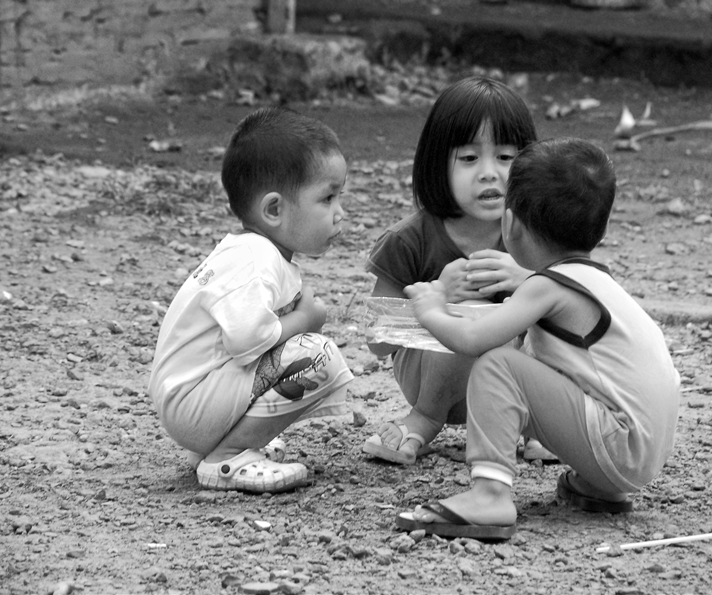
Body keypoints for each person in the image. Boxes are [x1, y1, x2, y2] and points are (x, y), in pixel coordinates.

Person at [396, 137, 681, 540]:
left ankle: (490, 493)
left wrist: (432, 309)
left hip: (619, 442)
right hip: (644, 448)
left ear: (509, 224)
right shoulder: (594, 280)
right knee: (537, 361)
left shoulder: (546, 287)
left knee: (499, 365)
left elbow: (476, 339)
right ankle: (601, 486)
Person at [148, 107, 355, 494]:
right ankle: (229, 455)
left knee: (305, 351)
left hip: (192, 397)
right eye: (327, 198)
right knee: (318, 355)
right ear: (274, 209)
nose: (340, 214)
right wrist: (304, 321)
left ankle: (225, 442)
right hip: (192, 401)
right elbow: (245, 341)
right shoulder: (256, 260)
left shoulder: (254, 252)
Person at [362, 76, 556, 464]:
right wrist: (437, 296)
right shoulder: (409, 239)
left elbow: (585, 302)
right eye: (469, 159)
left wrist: (531, 283)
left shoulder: (537, 237)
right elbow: (377, 340)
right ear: (438, 165)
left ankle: (538, 424)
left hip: (514, 386)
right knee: (471, 321)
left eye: (505, 157)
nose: (488, 173)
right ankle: (423, 419)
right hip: (433, 381)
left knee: (555, 313)